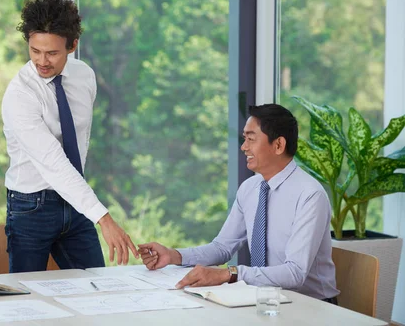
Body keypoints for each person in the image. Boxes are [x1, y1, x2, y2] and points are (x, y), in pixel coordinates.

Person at [139, 104, 339, 302]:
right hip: (264, 299)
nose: (244, 147)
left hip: (310, 305)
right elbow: (222, 247)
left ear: (278, 145)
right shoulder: (250, 188)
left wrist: (229, 274)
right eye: (245, 139)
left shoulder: (310, 195)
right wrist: (173, 255)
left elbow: (294, 273)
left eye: (251, 139)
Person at [1, 0, 138, 272]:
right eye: (34, 50)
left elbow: (80, 140)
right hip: (31, 207)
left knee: (96, 288)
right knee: (29, 303)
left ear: (73, 45)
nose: (42, 61)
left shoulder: (84, 76)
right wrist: (104, 219)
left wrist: (86, 204)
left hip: (75, 201)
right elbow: (53, 163)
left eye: (52, 53)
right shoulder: (20, 95)